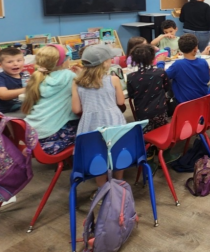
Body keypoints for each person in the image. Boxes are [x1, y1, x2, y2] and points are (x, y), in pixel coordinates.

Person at [71, 44, 127, 187]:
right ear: (104, 63)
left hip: (90, 123)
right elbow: (121, 101)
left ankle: (102, 187)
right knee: (117, 150)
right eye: (110, 59)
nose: (111, 61)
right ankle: (118, 183)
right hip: (113, 120)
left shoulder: (77, 82)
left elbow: (76, 109)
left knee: (97, 155)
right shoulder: (112, 79)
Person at [22, 44, 79, 155]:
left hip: (32, 133)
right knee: (87, 130)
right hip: (52, 136)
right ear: (64, 60)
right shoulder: (69, 76)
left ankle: (34, 149)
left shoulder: (37, 76)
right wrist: (80, 74)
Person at [127, 44, 171, 133]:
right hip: (160, 111)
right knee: (162, 132)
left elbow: (131, 95)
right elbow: (167, 87)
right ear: (153, 59)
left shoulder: (131, 77)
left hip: (142, 113)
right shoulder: (160, 72)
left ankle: (149, 146)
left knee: (146, 135)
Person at [166, 34, 210, 104]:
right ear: (196, 49)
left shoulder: (178, 64)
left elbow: (163, 76)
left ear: (180, 49)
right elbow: (207, 79)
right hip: (203, 103)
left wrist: (160, 63)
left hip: (185, 105)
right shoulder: (203, 62)